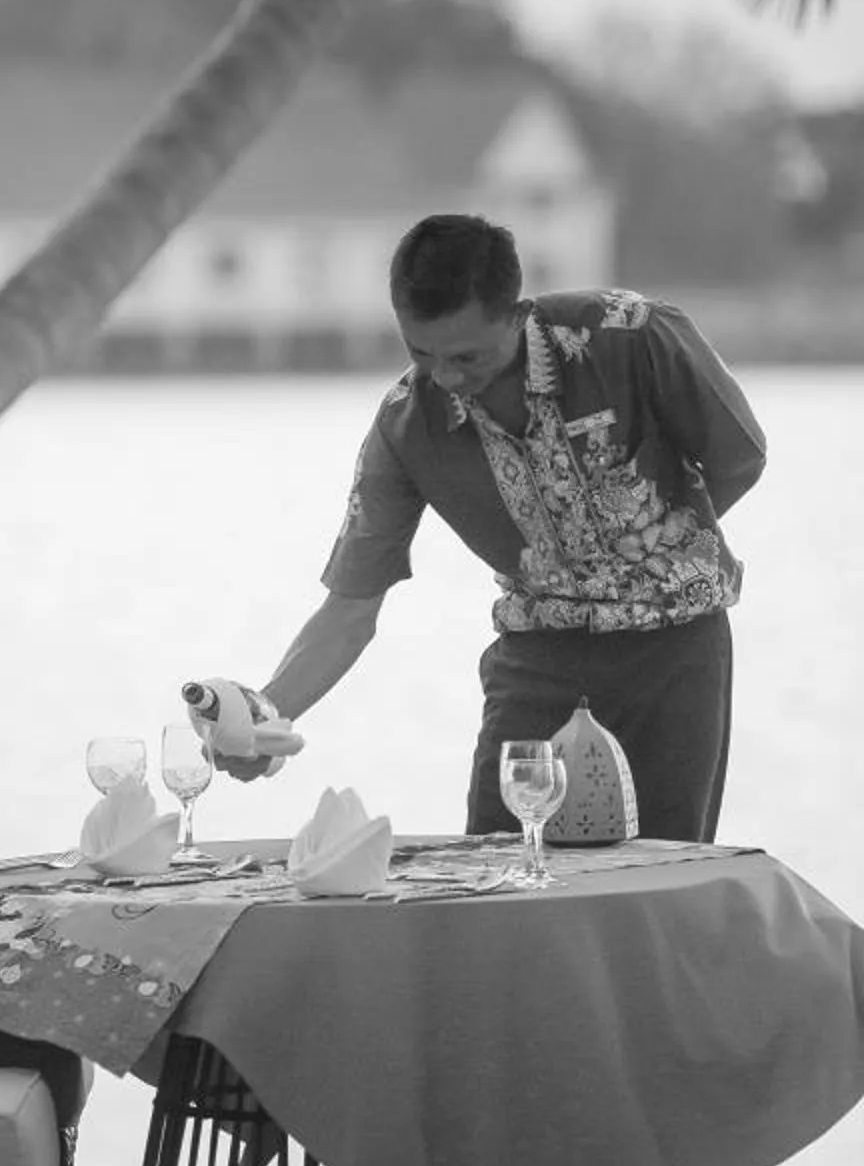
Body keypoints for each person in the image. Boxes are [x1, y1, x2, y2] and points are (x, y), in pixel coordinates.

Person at [218, 213, 768, 842]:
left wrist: (644, 554)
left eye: (467, 355)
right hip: (536, 663)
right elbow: (350, 608)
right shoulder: (405, 425)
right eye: (421, 352)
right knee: (498, 874)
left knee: (662, 876)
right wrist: (266, 713)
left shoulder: (632, 335)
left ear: (517, 313)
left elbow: (739, 458)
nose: (446, 377)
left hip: (673, 653)